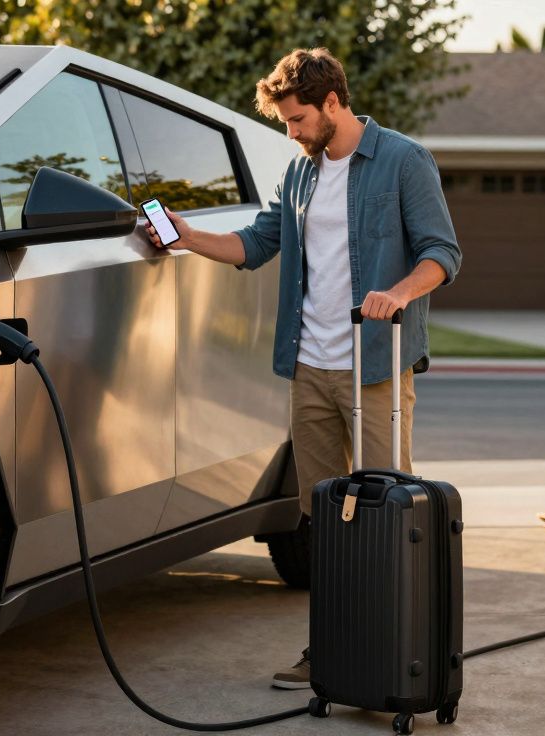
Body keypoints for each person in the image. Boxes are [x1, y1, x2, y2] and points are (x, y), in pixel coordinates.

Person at [143, 47, 461, 690]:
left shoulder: (403, 161)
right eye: (286, 122)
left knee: (383, 513)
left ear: (333, 104)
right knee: (324, 520)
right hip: (310, 365)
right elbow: (258, 243)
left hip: (375, 366)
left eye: (296, 119)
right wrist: (184, 235)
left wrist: (398, 293)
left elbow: (443, 253)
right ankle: (332, 647)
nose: (290, 132)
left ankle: (391, 652)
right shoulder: (301, 172)